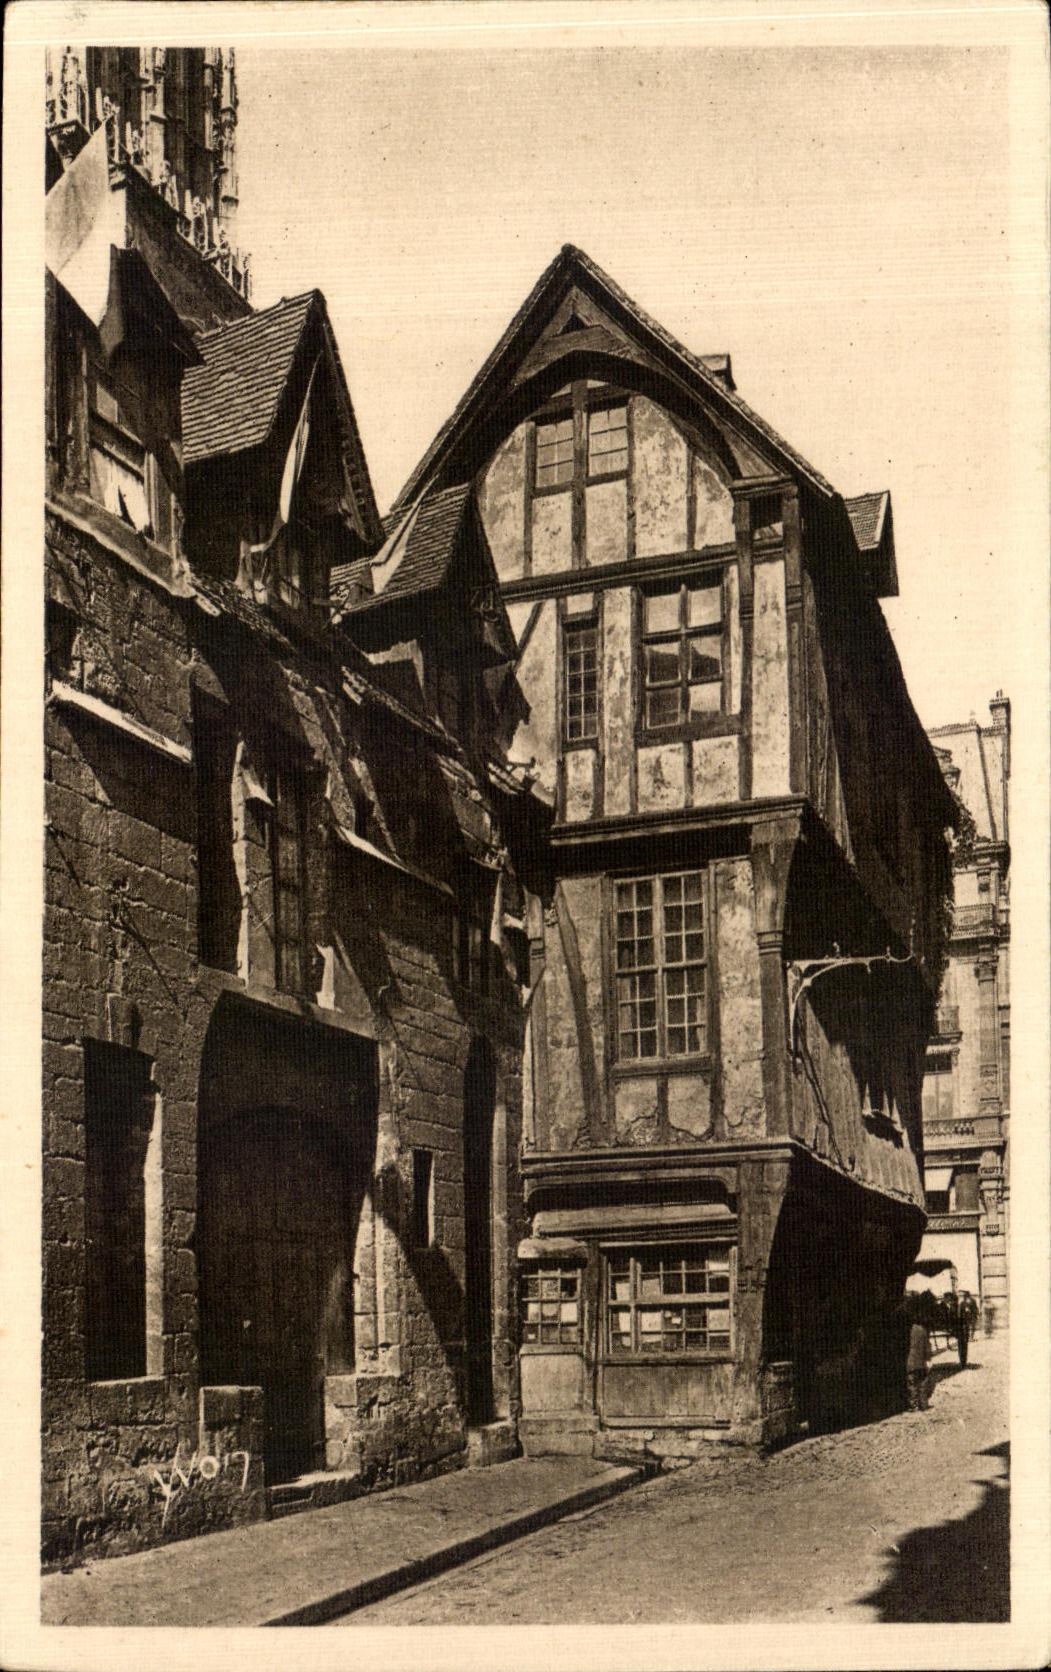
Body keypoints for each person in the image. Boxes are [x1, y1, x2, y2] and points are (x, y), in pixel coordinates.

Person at [906, 1316, 932, 1410]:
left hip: (911, 1362)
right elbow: (928, 1347)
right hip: (921, 1362)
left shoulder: (908, 1332)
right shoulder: (923, 1330)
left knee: (912, 1384)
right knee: (922, 1383)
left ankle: (914, 1405)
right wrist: (928, 1359)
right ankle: (924, 1404)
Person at [956, 1290, 979, 1365]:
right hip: (966, 1320)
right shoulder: (963, 1303)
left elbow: (975, 1308)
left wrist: (975, 1314)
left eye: (964, 1295)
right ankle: (970, 1337)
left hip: (969, 1318)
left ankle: (971, 1337)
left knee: (972, 1327)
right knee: (971, 1328)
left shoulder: (967, 1302)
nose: (964, 1297)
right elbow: (960, 1313)